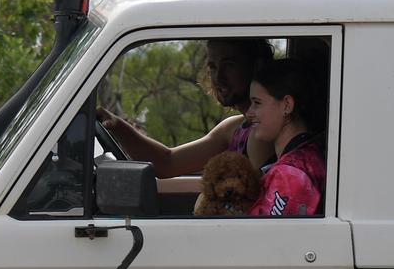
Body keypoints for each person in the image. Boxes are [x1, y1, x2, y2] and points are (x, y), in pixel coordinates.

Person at [96, 38, 273, 179]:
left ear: (256, 66)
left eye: (229, 65)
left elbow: (258, 204)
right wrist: (117, 125)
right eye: (213, 67)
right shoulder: (234, 128)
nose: (219, 76)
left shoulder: (262, 133)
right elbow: (167, 162)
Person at [246, 58, 325, 217]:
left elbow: (264, 237)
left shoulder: (291, 175)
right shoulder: (304, 156)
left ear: (287, 105)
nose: (249, 112)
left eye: (257, 103)